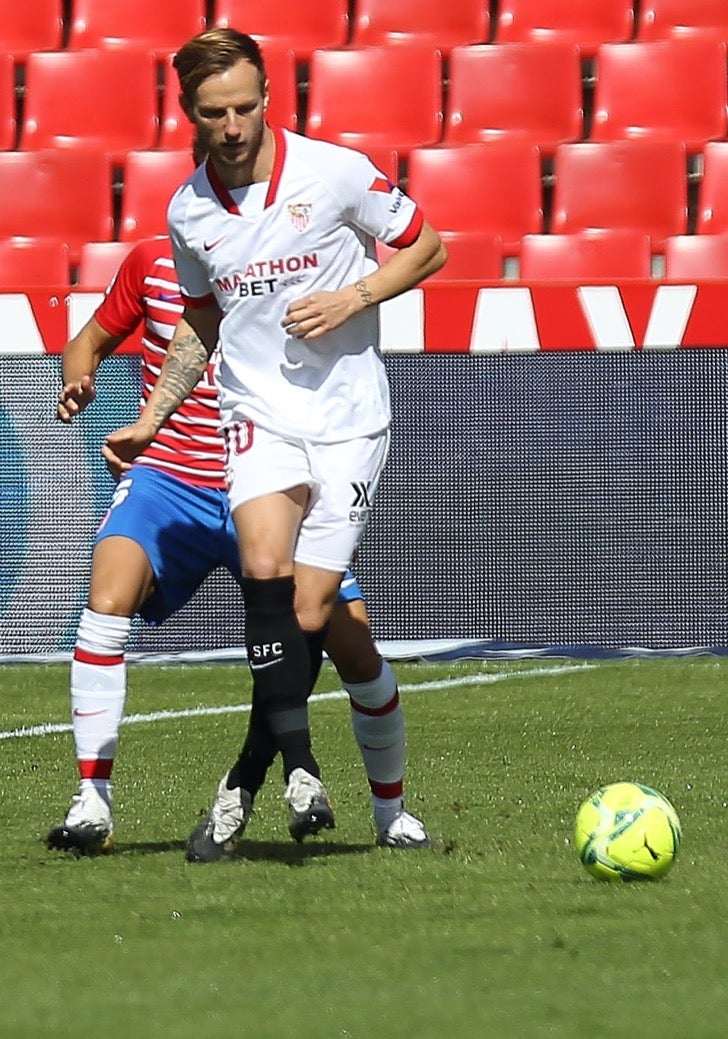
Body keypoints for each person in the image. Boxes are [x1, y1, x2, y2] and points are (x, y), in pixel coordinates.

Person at [103, 28, 446, 862]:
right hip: (256, 413)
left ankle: (257, 780)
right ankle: (301, 767)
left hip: (350, 420)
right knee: (263, 570)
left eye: (246, 106)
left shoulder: (333, 173)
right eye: (215, 111)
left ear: (267, 99)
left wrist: (353, 295)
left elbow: (428, 247)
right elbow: (201, 319)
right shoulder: (188, 210)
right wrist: (152, 417)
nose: (232, 124)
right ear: (188, 112)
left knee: (308, 613)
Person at [45, 237, 428, 859]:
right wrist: (78, 377)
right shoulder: (152, 262)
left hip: (265, 479)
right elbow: (86, 340)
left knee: (354, 648)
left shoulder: (290, 265)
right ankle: (92, 800)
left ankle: (391, 813)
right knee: (105, 600)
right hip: (169, 477)